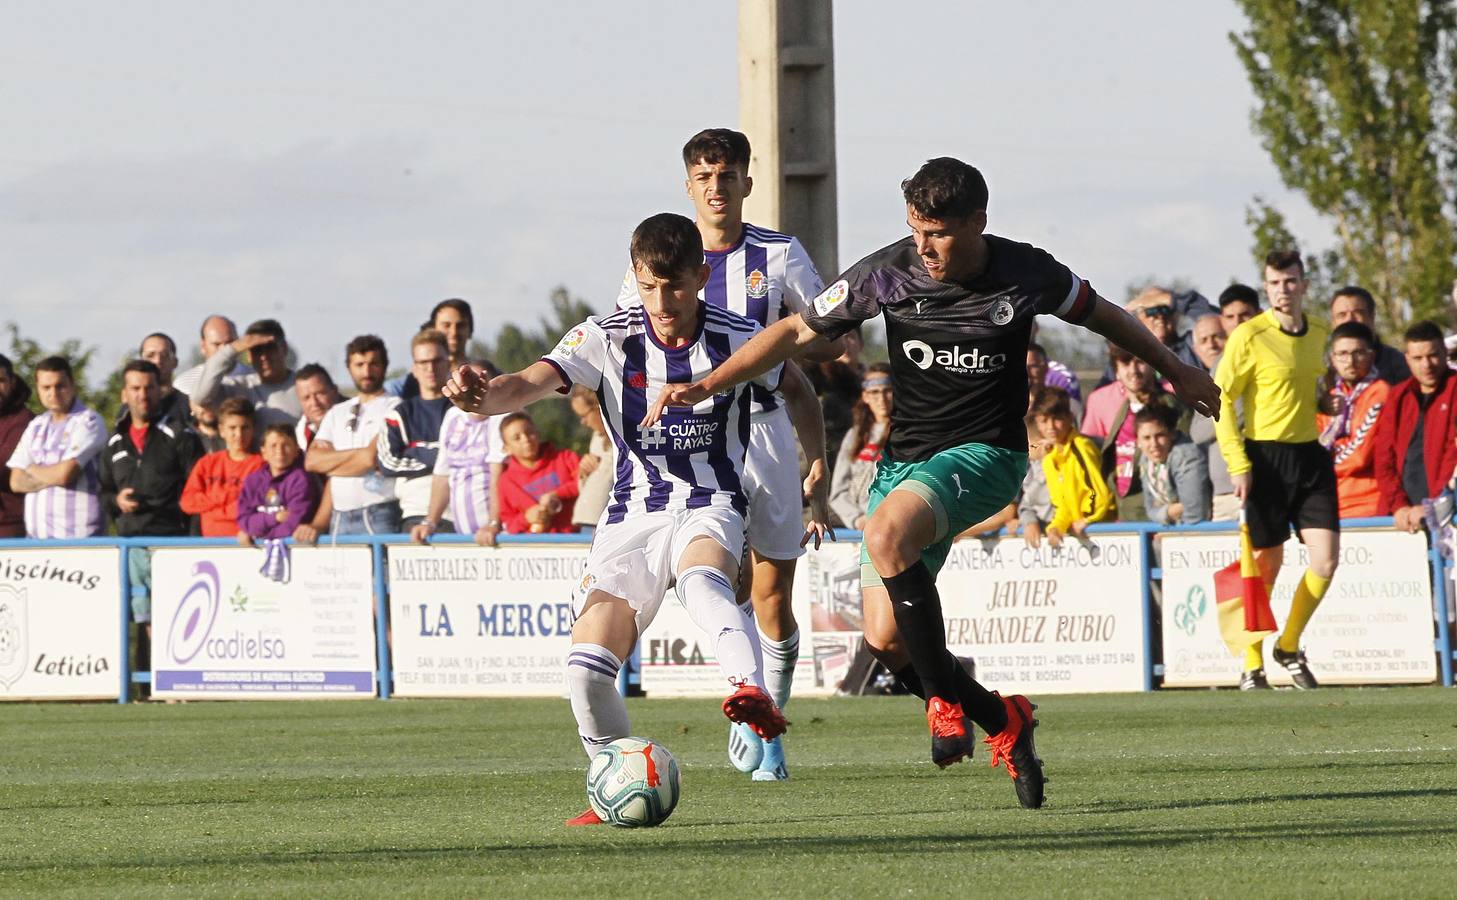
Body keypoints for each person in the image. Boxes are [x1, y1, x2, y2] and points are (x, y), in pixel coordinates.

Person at [646, 157, 1220, 808]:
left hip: (985, 458)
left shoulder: (1026, 271)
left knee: (886, 532)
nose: (924, 247)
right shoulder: (886, 272)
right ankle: (1004, 719)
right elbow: (795, 329)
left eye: (938, 233)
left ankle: (944, 703)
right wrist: (708, 382)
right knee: (886, 641)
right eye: (915, 230)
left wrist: (1180, 372)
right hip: (905, 464)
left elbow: (1108, 318)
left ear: (977, 222)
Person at [441, 212, 830, 825]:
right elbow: (524, 385)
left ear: (701, 276)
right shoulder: (605, 336)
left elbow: (798, 375)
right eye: (648, 286)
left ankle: (747, 691)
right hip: (630, 517)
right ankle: (609, 780)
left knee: (704, 578)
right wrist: (479, 395)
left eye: (674, 285)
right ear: (634, 278)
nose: (661, 301)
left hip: (711, 500)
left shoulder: (735, 338)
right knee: (586, 670)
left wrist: (816, 468)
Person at [614, 128, 832, 782]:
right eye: (703, 176)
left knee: (770, 595)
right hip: (688, 440)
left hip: (762, 428)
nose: (715, 187)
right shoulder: (657, 260)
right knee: (703, 571)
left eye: (725, 174)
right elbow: (620, 344)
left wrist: (772, 349)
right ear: (688, 186)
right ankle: (752, 705)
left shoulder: (777, 252)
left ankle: (771, 719)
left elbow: (828, 341)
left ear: (745, 181)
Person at [1214, 249, 1339, 691]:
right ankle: (1252, 662)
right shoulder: (1249, 335)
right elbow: (1221, 398)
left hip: (1311, 456)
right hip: (1264, 459)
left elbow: (1317, 387)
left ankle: (1288, 644)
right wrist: (1238, 462)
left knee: (1325, 560)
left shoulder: (1321, 331)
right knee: (1266, 565)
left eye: (1290, 281)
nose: (1283, 290)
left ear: (1304, 285)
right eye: (1274, 283)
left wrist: (1326, 402)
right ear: (1266, 288)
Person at [98, 359, 204, 680]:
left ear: (160, 390)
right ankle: (142, 688)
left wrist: (194, 544)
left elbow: (197, 492)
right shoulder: (114, 442)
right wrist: (116, 501)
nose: (143, 395)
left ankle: (176, 686)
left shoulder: (180, 436)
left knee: (174, 619)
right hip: (131, 546)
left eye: (149, 388)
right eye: (135, 388)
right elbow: (102, 492)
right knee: (141, 622)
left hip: (171, 542)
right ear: (124, 394)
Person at [306, 335, 401, 535]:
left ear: (384, 366)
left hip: (379, 513)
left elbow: (370, 459)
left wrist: (332, 464)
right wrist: (359, 455)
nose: (366, 371)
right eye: (359, 364)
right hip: (339, 516)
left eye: (373, 363)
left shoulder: (395, 407)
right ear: (349, 368)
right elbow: (312, 461)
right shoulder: (336, 412)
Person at [1082, 345, 1186, 521]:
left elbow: (1185, 456)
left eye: (1140, 362)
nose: (1134, 370)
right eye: (1125, 363)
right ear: (1116, 370)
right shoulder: (1118, 407)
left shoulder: (1171, 405)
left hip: (1161, 512)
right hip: (1124, 510)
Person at [6, 356, 107, 538]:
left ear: (72, 385)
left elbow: (65, 474)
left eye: (60, 386)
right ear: (38, 389)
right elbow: (15, 482)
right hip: (36, 542)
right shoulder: (36, 425)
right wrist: (53, 474)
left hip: (80, 541)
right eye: (46, 387)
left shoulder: (89, 421)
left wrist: (31, 468)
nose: (54, 393)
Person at [1373, 321, 1457, 534]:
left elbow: (1452, 455)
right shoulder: (1398, 396)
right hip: (1402, 518)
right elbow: (1384, 458)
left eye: (1433, 355)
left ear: (1445, 352)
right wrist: (1399, 506)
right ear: (1407, 359)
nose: (1426, 365)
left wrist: (1432, 505)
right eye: (1418, 358)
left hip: (1447, 518)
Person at [378, 330, 455, 533]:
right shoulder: (399, 414)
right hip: (415, 517)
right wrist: (443, 457)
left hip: (462, 516)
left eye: (437, 360)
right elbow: (387, 463)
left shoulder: (464, 411)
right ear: (414, 368)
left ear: (448, 363)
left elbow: (471, 458)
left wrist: (415, 449)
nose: (430, 368)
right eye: (423, 362)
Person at [1316, 322, 1390, 519]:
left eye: (1358, 353)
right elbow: (1314, 445)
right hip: (1331, 504)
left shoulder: (1381, 392)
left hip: (1368, 505)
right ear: (1332, 358)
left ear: (1371, 356)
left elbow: (1359, 456)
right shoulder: (1329, 398)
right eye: (1342, 354)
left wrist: (1323, 463)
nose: (1350, 360)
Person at [415, 396, 506, 546]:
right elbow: (442, 474)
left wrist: (494, 523)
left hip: (497, 535)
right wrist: (430, 522)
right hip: (463, 536)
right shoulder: (452, 416)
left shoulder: (503, 414)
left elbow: (498, 475)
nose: (473, 389)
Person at [1033, 388, 1114, 546]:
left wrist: (1087, 519)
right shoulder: (1049, 459)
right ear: (1037, 422)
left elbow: (1100, 494)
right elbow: (1062, 504)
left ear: (1070, 418)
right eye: (1044, 421)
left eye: (1057, 419)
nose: (1051, 427)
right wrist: (1057, 527)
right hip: (1080, 534)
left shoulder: (1082, 448)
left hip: (1102, 529)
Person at [192, 318, 302, 429]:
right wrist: (232, 349)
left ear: (284, 348)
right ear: (249, 355)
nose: (264, 357)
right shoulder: (239, 388)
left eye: (270, 348)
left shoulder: (303, 389)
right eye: (257, 350)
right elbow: (200, 398)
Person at [180, 397, 264, 537]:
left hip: (245, 544)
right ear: (222, 430)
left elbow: (251, 507)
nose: (239, 434)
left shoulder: (260, 466)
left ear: (253, 429)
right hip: (210, 544)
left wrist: (210, 508)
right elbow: (187, 502)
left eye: (245, 428)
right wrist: (226, 496)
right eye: (232, 428)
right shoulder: (207, 463)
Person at [829, 363, 893, 530]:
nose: (882, 399)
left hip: (895, 524)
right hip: (856, 528)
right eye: (875, 392)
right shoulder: (855, 435)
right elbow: (838, 492)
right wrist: (858, 520)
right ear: (865, 396)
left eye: (888, 391)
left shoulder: (909, 433)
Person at [496, 412, 581, 534]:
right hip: (537, 547)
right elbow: (510, 526)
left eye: (529, 432)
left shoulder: (565, 458)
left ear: (538, 433)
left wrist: (558, 494)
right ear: (506, 448)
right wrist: (526, 518)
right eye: (517, 438)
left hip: (576, 540)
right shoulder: (506, 481)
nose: (526, 439)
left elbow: (589, 484)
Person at [237, 424, 320, 545]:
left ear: (297, 451)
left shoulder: (301, 480)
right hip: (260, 548)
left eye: (286, 445)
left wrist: (260, 537)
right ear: (263, 452)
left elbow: (294, 523)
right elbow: (244, 521)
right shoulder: (252, 481)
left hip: (292, 548)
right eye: (273, 445)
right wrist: (274, 518)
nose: (279, 451)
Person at [1133, 404, 1210, 525]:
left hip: (1200, 530)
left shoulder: (1186, 455)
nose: (1154, 444)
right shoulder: (1145, 459)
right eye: (1146, 438)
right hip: (1173, 530)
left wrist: (1174, 534)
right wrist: (1169, 512)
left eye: (1160, 435)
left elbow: (1195, 512)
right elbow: (1150, 510)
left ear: (1172, 434)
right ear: (1138, 441)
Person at [386, 299, 475, 399]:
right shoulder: (401, 388)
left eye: (460, 325)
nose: (453, 332)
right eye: (446, 325)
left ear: (470, 329)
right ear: (433, 328)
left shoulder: (484, 377)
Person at [1329, 286, 1410, 384]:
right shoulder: (1324, 368)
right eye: (1342, 315)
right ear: (1333, 322)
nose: (1349, 319)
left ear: (1372, 317)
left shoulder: (1398, 365)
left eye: (1358, 313)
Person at [569, 384, 614, 534]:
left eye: (584, 415)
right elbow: (592, 486)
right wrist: (584, 473)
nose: (583, 422)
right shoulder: (597, 438)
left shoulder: (625, 438)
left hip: (612, 520)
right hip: (589, 518)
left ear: (598, 407)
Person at [0, 354, 35, 537]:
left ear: (12, 381)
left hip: (11, 527)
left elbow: (7, 467)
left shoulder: (27, 422)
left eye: (1, 380)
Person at [173, 315, 245, 398]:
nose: (225, 350)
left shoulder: (257, 378)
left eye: (229, 343)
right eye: (217, 344)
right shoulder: (185, 384)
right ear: (203, 347)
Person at [131, 333, 192, 426]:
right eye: (150, 355)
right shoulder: (131, 408)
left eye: (164, 355)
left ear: (175, 362)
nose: (158, 361)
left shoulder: (188, 406)